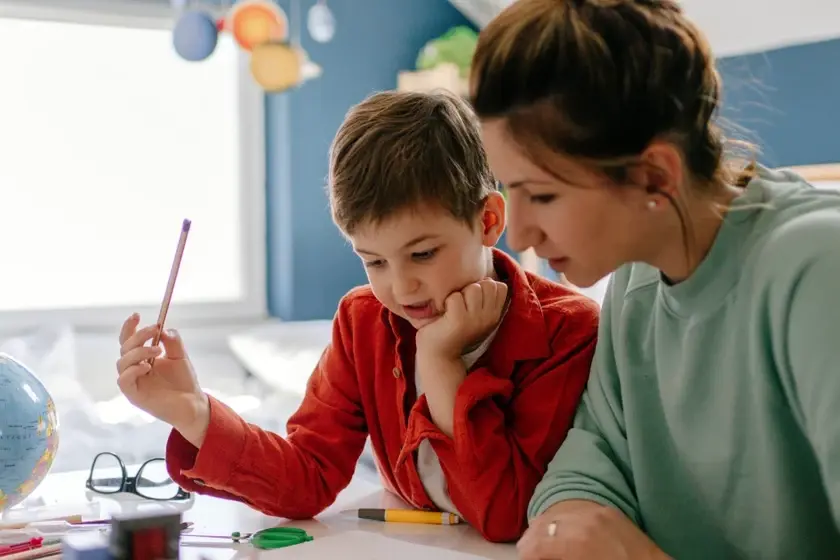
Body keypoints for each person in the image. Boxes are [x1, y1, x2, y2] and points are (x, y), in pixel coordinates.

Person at [115, 90, 599, 543]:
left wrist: (440, 363)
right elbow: (309, 477)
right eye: (374, 262)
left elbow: (507, 516)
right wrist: (194, 413)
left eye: (424, 254)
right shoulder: (363, 319)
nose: (402, 287)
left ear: (488, 220)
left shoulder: (568, 330)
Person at [469, 0, 840, 558]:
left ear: (653, 175)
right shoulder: (636, 284)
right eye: (510, 190)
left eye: (542, 195)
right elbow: (590, 462)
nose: (518, 232)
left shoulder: (816, 272)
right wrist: (566, 524)